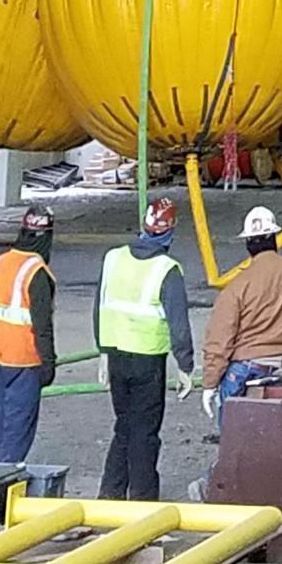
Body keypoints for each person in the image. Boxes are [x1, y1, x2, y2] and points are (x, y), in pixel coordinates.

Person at [95, 195, 194, 502]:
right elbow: (179, 323)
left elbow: (99, 306)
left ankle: (109, 495)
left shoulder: (113, 258)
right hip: (148, 361)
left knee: (124, 425)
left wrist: (102, 352)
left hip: (116, 357)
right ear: (170, 232)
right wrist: (185, 367)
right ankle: (142, 501)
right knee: (145, 432)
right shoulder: (167, 269)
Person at [202, 206, 282, 399]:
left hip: (246, 370)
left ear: (248, 243)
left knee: (235, 428)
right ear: (274, 238)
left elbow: (219, 338)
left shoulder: (237, 286)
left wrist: (210, 383)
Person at [0, 206, 58, 470]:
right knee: (17, 432)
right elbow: (42, 325)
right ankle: (1, 492)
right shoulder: (36, 271)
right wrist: (48, 364)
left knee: (3, 427)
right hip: (25, 360)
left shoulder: (0, 262)